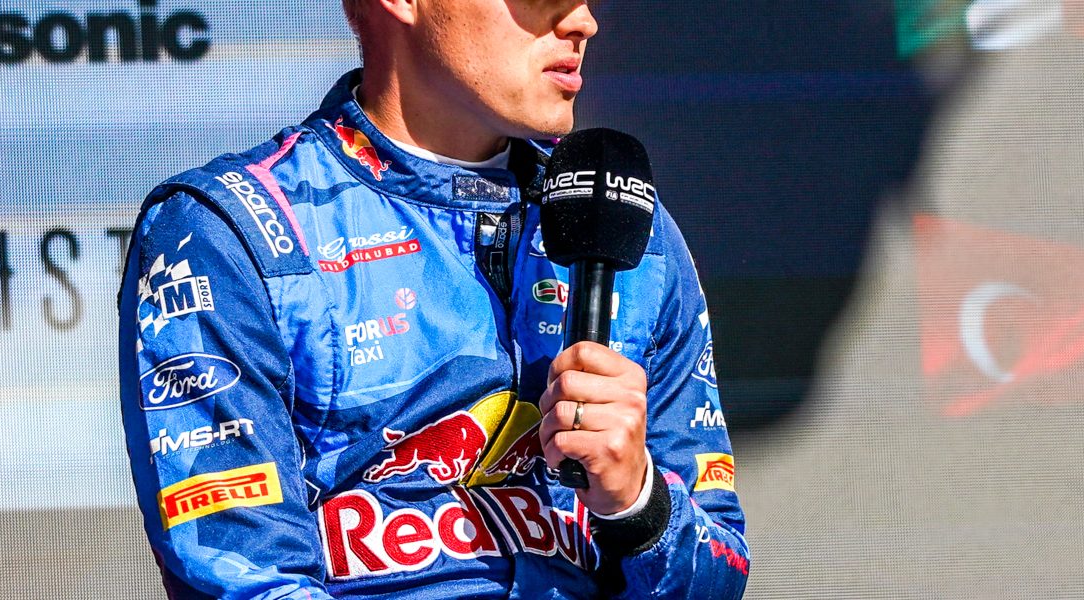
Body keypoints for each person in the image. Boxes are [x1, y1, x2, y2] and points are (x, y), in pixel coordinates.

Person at [116, 0, 749, 597]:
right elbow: (246, 576)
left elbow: (722, 571)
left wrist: (638, 504)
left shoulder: (630, 223)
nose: (582, 20)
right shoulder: (232, 231)